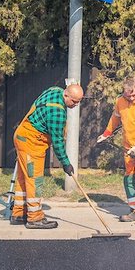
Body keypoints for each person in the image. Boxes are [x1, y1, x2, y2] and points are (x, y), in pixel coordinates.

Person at [11, 84, 83, 229]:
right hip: (31, 142)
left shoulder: (54, 90)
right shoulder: (57, 113)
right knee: (34, 179)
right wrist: (66, 163)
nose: (76, 105)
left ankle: (18, 213)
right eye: (74, 101)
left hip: (22, 135)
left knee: (23, 177)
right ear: (66, 95)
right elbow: (57, 143)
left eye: (79, 101)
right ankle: (34, 218)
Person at [96, 76, 135, 223]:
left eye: (133, 94)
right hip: (128, 146)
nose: (130, 97)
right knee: (129, 178)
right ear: (123, 90)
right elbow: (115, 118)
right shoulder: (120, 101)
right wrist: (106, 134)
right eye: (127, 94)